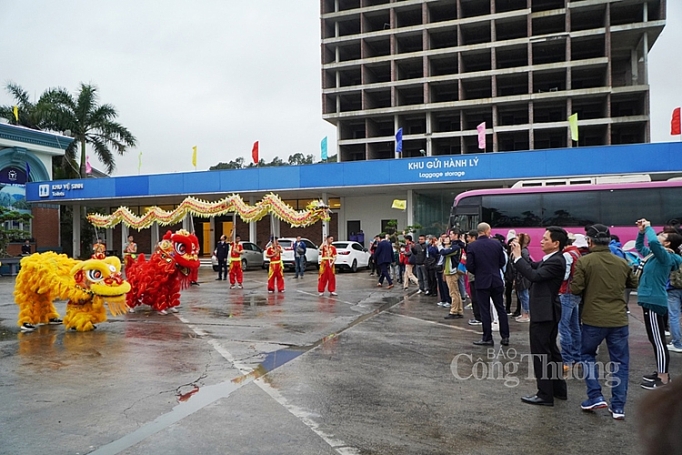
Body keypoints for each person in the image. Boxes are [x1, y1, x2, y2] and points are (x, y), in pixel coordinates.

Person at [570, 223, 637, 420]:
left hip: (593, 319)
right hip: (618, 319)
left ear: (590, 241)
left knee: (587, 355)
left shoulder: (585, 261)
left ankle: (595, 395)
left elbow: (576, 289)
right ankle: (618, 407)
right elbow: (633, 283)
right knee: (620, 362)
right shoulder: (621, 262)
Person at [511, 226, 568, 406]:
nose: (541, 241)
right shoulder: (550, 259)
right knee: (551, 350)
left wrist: (519, 257)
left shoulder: (556, 261)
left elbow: (534, 275)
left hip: (545, 312)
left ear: (556, 243)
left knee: (541, 353)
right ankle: (558, 389)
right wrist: (518, 254)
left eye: (545, 239)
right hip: (546, 310)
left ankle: (545, 394)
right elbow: (531, 266)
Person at [635, 219, 682, 390]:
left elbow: (653, 241)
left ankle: (663, 377)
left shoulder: (665, 256)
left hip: (654, 301)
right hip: (650, 300)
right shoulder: (656, 255)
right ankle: (661, 372)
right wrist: (641, 232)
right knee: (654, 339)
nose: (658, 235)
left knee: (659, 341)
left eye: (663, 235)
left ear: (668, 242)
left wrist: (649, 227)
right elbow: (640, 247)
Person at [465, 222, 509, 346]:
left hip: (481, 281)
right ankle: (505, 337)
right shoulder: (496, 244)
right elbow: (502, 262)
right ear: (487, 230)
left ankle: (487, 337)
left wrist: (479, 272)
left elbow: (470, 266)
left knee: (485, 310)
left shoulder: (472, 246)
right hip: (496, 279)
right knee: (501, 308)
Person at [559, 233, 583, 376]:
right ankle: (577, 357)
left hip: (566, 292)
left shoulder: (567, 255)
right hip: (575, 293)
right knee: (575, 327)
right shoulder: (577, 253)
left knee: (564, 327)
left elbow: (565, 276)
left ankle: (566, 359)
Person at [442, 231, 464, 319]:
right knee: (456, 291)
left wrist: (440, 246)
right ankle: (459, 310)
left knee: (453, 292)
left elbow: (444, 252)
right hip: (450, 271)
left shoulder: (456, 247)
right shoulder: (456, 245)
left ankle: (454, 311)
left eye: (451, 234)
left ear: (456, 235)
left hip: (452, 271)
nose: (449, 236)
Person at [465, 229, 482, 326]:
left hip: (474, 276)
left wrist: (470, 269)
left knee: (475, 297)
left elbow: (470, 264)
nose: (467, 239)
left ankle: (478, 317)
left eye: (468, 237)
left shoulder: (472, 247)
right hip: (479, 275)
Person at [514, 233, 532, 323]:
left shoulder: (523, 251)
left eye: (517, 238)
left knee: (524, 295)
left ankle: (526, 314)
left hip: (522, 277)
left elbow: (524, 264)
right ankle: (524, 313)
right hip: (520, 277)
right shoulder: (522, 250)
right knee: (521, 295)